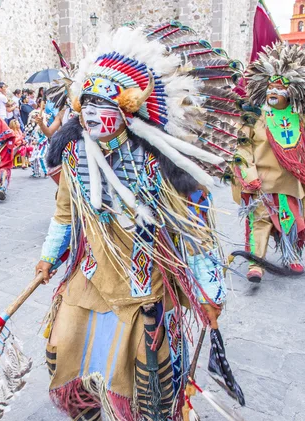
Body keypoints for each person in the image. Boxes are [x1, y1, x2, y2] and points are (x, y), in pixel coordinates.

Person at [33, 22, 245, 420]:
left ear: (128, 112)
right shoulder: (74, 156)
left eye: (104, 107)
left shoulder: (156, 165)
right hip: (91, 275)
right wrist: (49, 256)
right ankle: (92, 406)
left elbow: (192, 233)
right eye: (87, 106)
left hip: (142, 284)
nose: (93, 116)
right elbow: (64, 213)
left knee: (132, 374)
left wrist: (210, 292)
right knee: (66, 344)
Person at [231, 43, 305, 283]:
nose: (273, 93)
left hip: (290, 181)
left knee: (291, 219)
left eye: (279, 88)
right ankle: (255, 263)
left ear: (292, 92)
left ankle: (292, 255)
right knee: (259, 221)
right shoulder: (253, 115)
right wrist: (248, 173)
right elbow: (242, 147)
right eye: (270, 87)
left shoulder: (299, 117)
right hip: (261, 181)